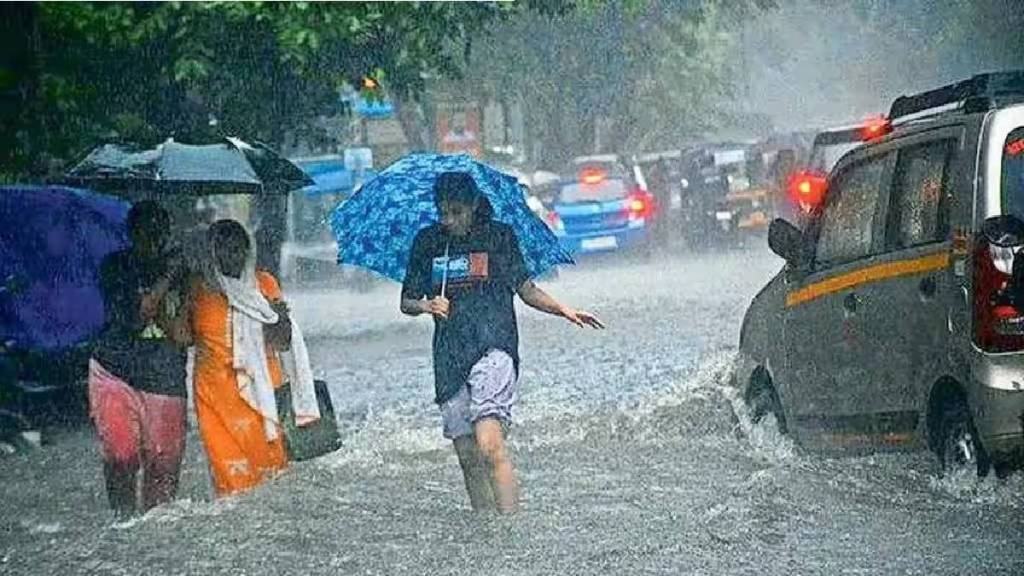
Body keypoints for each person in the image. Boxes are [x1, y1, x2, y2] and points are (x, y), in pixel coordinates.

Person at [401, 172, 604, 514]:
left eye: (456, 212)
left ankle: (510, 529)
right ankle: (486, 530)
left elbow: (527, 290)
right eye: (443, 213)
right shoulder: (428, 242)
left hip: (494, 346)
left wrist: (564, 310)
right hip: (449, 355)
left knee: (490, 445)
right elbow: (406, 301)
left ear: (474, 206)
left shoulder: (499, 237)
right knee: (467, 456)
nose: (449, 221)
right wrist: (427, 305)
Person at [189, 219, 318, 497]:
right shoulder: (198, 289)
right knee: (230, 484)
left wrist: (277, 314)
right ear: (211, 252)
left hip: (263, 396)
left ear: (247, 251)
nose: (231, 256)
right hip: (215, 400)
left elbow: (284, 342)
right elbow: (181, 338)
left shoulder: (264, 284)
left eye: (237, 249)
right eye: (223, 249)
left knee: (273, 477)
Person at [89, 201, 191, 517]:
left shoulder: (182, 271)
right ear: (132, 234)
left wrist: (174, 280)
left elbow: (183, 335)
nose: (155, 241)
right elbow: (135, 317)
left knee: (163, 469)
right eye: (148, 234)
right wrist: (164, 281)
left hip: (165, 379)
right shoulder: (115, 267)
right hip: (115, 371)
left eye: (160, 234)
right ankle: (122, 521)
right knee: (121, 455)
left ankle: (150, 535)